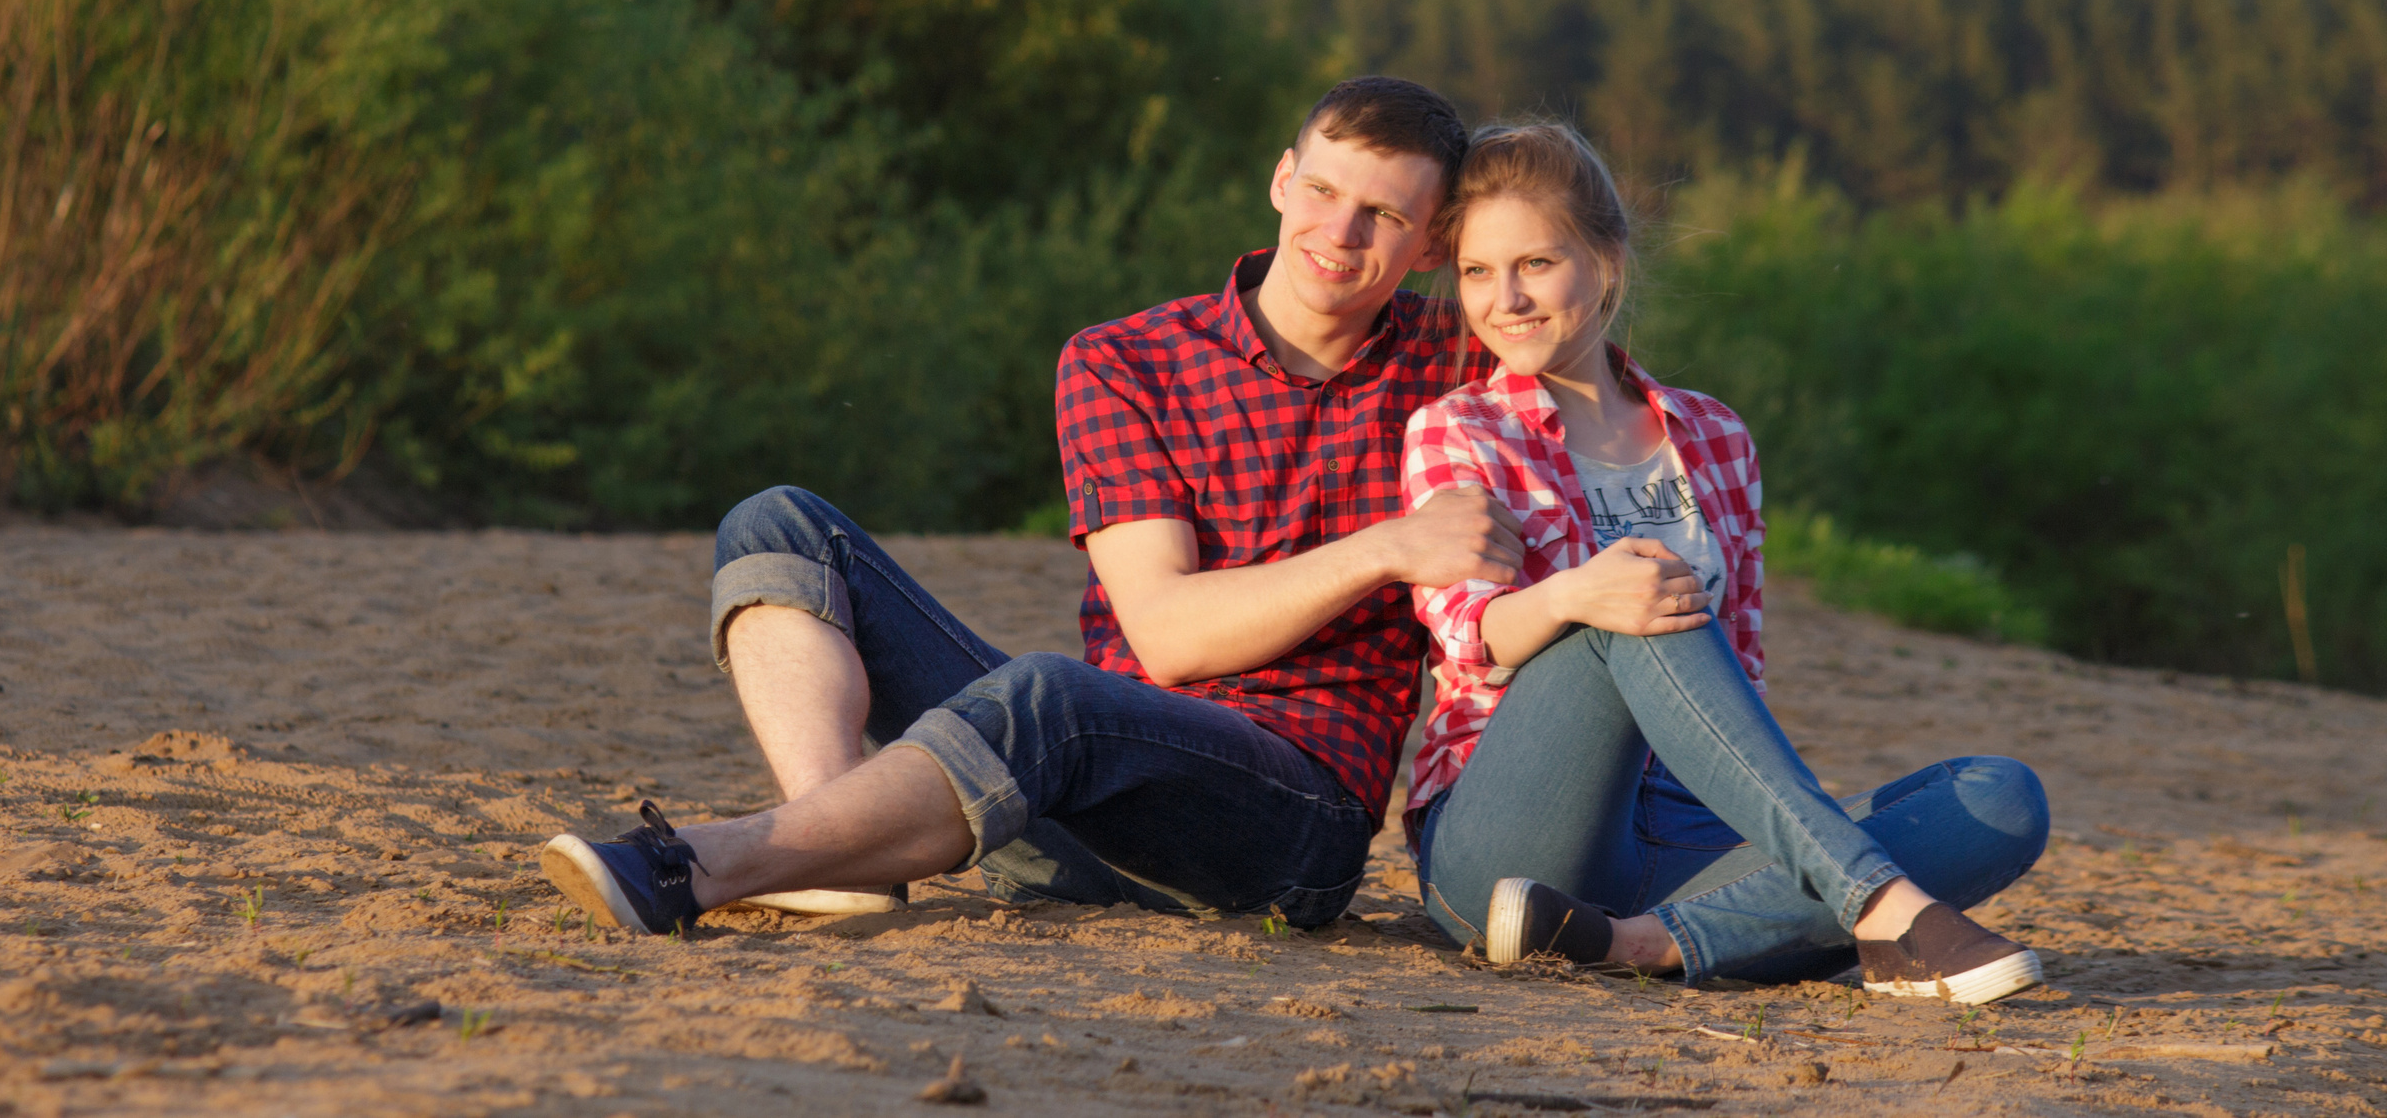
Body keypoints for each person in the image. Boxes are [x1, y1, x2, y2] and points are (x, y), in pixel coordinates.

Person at [535, 77, 1533, 935]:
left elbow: (1603, 378)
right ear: (1281, 178)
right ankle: (845, 849)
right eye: (1321, 190)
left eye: (1387, 217)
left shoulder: (1466, 362)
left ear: (1436, 243)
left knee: (1058, 700)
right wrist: (1392, 547)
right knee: (781, 524)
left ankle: (705, 865)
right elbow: (1169, 635)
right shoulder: (1125, 361)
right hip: (1073, 793)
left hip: (1281, 828)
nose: (1340, 232)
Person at [1399, 120, 2051, 1001]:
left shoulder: (1714, 434)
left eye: (1536, 264)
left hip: (1687, 833)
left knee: (2003, 799)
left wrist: (1776, 828)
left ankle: (1636, 943)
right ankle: (1880, 908)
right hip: (1513, 838)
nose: (1504, 299)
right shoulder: (1461, 430)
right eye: (1478, 272)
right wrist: (1580, 593)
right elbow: (1472, 638)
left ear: (1608, 261)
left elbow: (1739, 667)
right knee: (1632, 595)